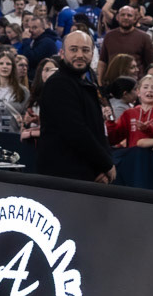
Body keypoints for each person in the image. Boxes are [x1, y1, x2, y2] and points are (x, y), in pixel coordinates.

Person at [37, 30, 116, 184]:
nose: (80, 55)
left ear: (92, 54)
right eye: (73, 49)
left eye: (85, 50)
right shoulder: (58, 84)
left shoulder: (86, 84)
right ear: (62, 53)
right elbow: (75, 130)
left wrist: (101, 167)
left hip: (87, 175)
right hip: (63, 178)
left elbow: (96, 130)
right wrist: (105, 164)